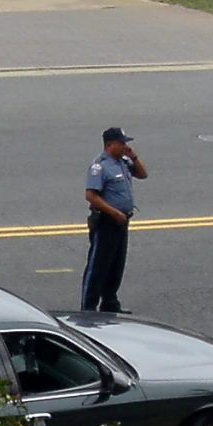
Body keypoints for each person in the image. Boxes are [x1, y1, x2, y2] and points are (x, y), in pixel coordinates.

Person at [80, 126, 147, 313]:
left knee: (116, 265)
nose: (125, 146)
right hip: (106, 223)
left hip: (122, 222)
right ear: (110, 144)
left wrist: (134, 156)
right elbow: (91, 195)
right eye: (121, 143)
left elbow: (143, 174)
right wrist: (114, 212)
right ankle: (88, 308)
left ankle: (110, 303)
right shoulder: (100, 166)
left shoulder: (123, 162)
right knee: (98, 267)